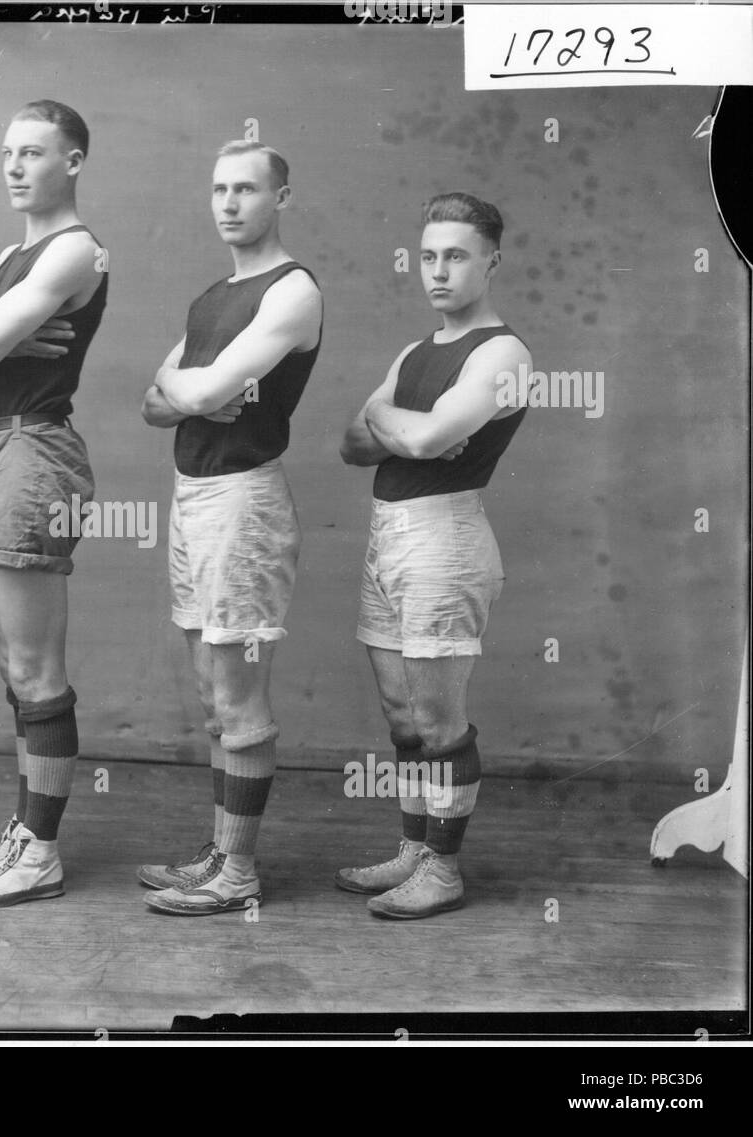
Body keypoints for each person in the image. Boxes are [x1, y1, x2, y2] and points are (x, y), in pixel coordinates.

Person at [137, 140, 323, 915]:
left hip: (244, 502)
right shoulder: (212, 296)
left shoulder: (294, 289)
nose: (229, 203)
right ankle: (222, 852)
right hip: (193, 495)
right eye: (219, 189)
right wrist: (191, 391)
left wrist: (190, 389)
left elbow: (199, 385)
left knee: (239, 695)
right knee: (214, 694)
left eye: (246, 189)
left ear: (281, 197)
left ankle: (239, 870)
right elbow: (154, 401)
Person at [336, 191, 531, 919]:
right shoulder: (418, 351)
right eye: (428, 256)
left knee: (440, 718)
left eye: (455, 256)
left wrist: (392, 422)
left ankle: (443, 869)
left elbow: (410, 441)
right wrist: (401, 421)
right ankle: (414, 850)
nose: (438, 271)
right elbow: (354, 443)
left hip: (445, 539)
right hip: (390, 533)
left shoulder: (504, 352)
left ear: (491, 262)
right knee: (403, 714)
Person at [0, 100, 107, 908]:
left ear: (72, 162)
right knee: (16, 663)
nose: (12, 166)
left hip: (33, 452)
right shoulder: (17, 253)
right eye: (7, 152)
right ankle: (24, 830)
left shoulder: (75, 252)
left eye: (32, 152)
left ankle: (42, 851)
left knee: (37, 665)